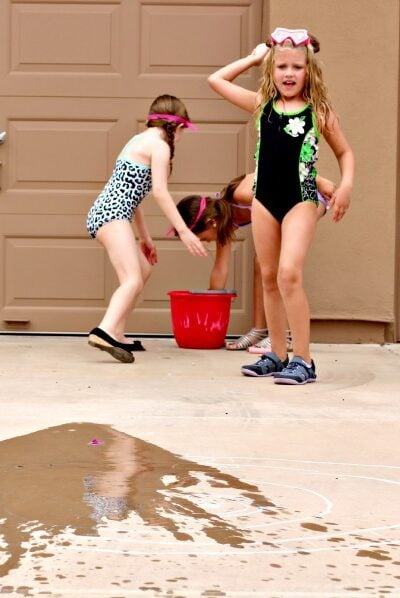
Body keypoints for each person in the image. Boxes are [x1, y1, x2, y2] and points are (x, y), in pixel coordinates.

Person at [208, 28, 355, 384]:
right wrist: (255, 57)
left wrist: (346, 185)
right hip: (264, 200)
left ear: (310, 71)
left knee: (289, 273)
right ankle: (277, 353)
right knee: (269, 277)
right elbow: (216, 80)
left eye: (297, 67)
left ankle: (303, 360)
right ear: (272, 69)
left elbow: (344, 152)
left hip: (301, 198)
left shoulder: (318, 111)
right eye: (282, 66)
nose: (289, 74)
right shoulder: (262, 105)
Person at [86, 94, 207, 364]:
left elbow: (135, 195)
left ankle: (117, 331)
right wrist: (184, 232)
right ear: (177, 127)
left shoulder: (137, 140)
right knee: (132, 279)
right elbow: (160, 193)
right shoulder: (160, 146)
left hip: (109, 213)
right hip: (112, 215)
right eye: (184, 130)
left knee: (143, 269)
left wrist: (145, 238)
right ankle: (104, 330)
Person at [175, 171, 335, 352]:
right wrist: (209, 313)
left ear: (211, 222)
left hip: (305, 198)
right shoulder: (225, 222)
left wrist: (319, 180)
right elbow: (220, 269)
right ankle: (259, 331)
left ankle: (285, 336)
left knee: (275, 266)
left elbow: (281, 170)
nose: (206, 242)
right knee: (262, 262)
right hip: (285, 207)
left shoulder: (241, 194)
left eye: (203, 238)